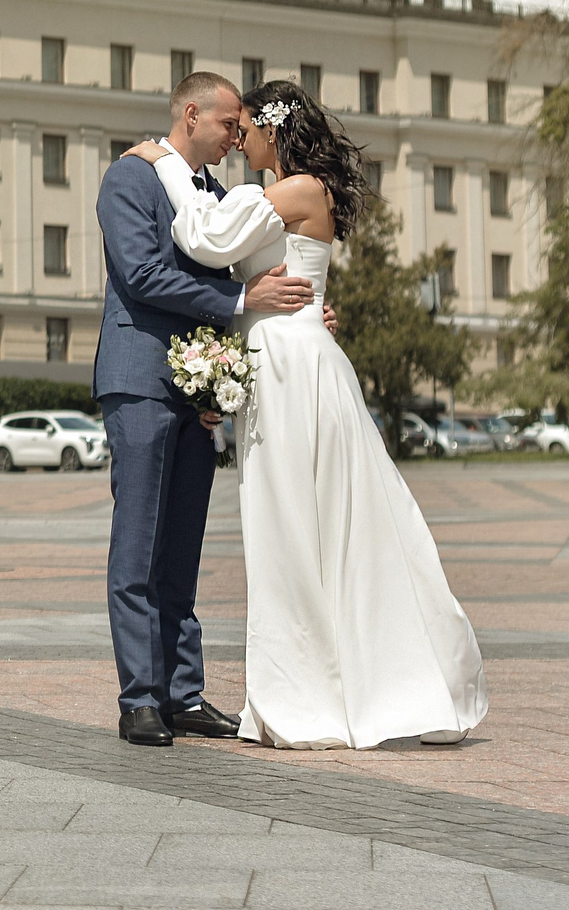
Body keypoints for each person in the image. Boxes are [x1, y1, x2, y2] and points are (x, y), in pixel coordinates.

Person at [131, 80, 488, 749]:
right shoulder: (297, 192)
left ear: (275, 130)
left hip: (291, 369)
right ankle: (317, 684)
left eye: (247, 128)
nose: (239, 140)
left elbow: (205, 237)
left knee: (291, 527)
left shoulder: (294, 188)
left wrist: (167, 166)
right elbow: (265, 271)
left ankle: (305, 694)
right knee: (304, 525)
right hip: (291, 355)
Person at [93, 70, 315, 747]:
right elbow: (143, 274)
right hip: (139, 380)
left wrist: (258, 340)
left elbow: (234, 270)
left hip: (196, 392)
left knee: (183, 546)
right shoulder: (128, 180)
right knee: (138, 543)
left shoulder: (213, 194)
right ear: (192, 115)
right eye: (227, 125)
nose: (234, 139)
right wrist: (241, 305)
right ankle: (140, 697)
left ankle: (182, 691)